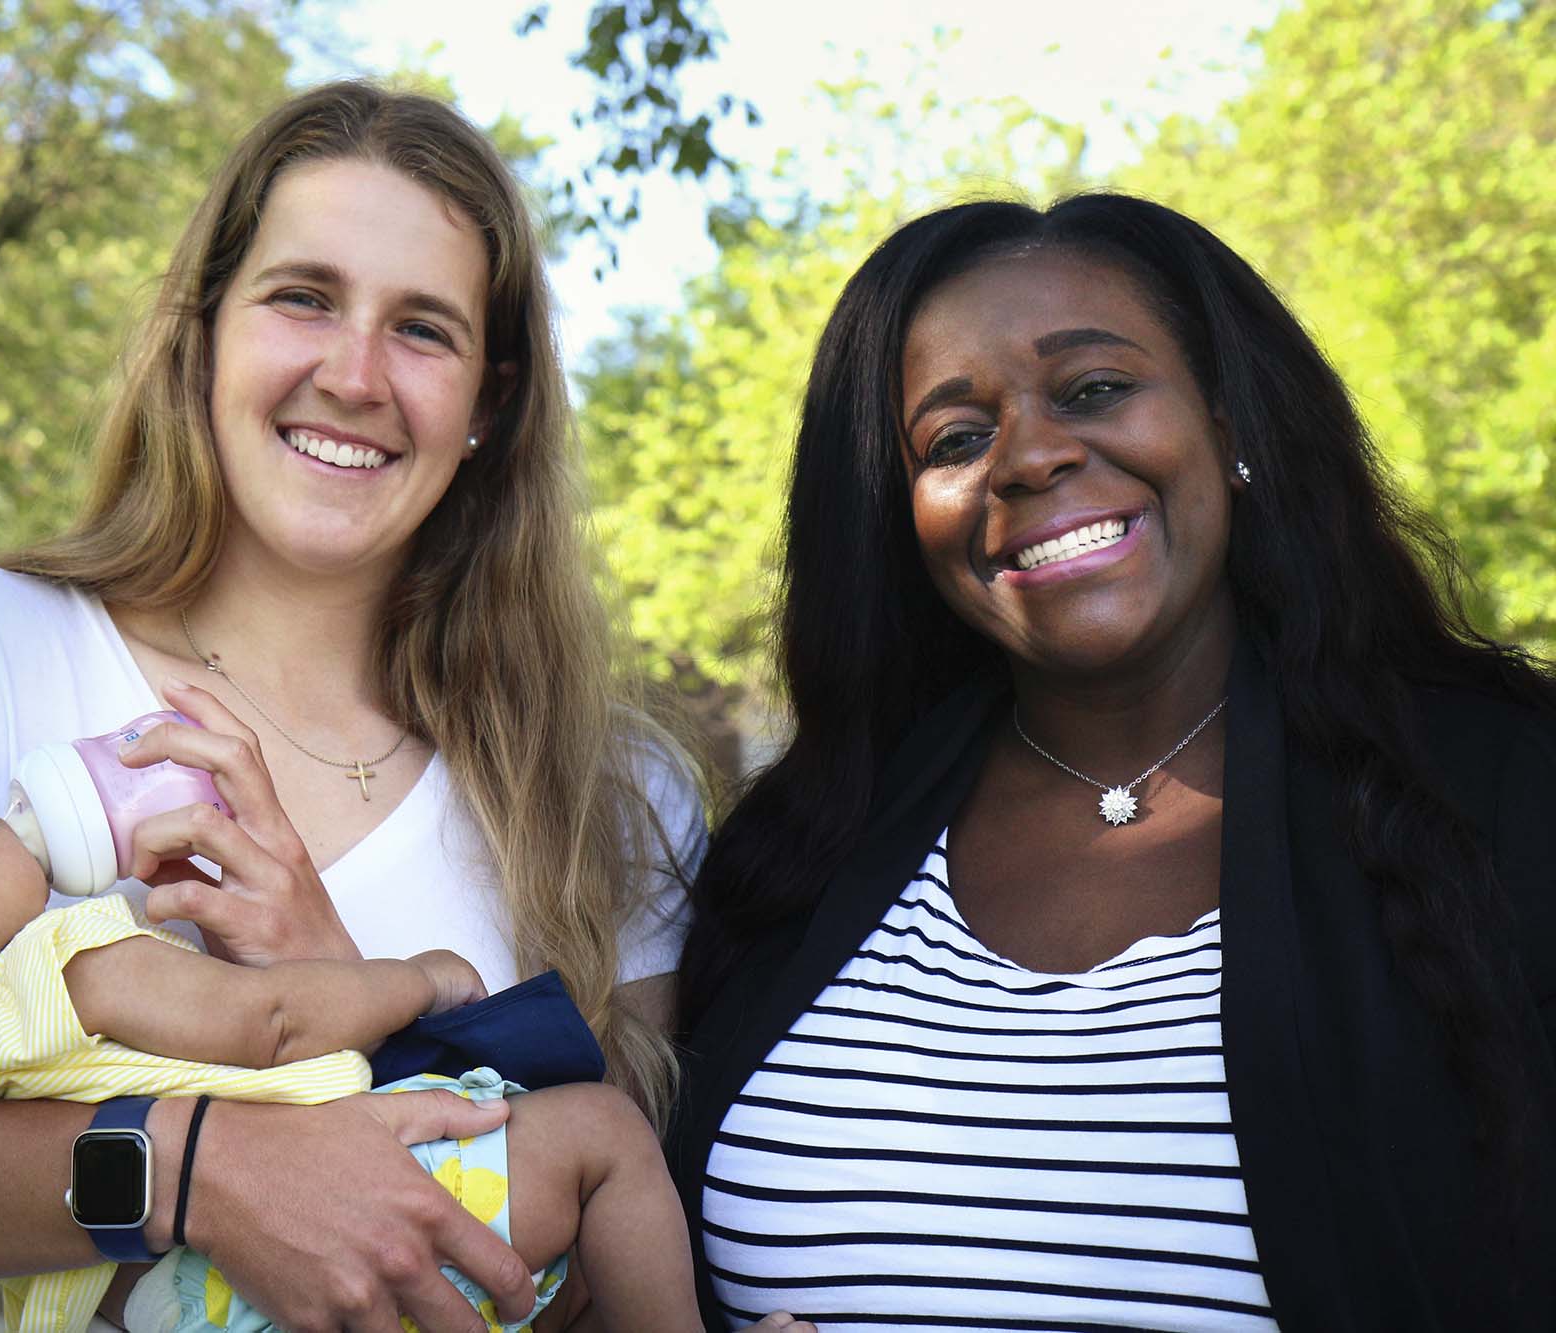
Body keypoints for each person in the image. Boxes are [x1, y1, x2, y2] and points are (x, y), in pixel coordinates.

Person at [0, 81, 708, 1333]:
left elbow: (592, 1255)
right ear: (203, 332)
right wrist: (190, 1171)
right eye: (302, 297)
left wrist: (346, 997)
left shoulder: (603, 792)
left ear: (489, 403)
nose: (354, 373)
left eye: (424, 329)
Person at [667, 194, 1556, 1331]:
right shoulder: (797, 850)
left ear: (1230, 422)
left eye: (1092, 389)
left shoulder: (1498, 797)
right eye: (952, 440)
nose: (1028, 456)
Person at [0, 739, 730, 1332]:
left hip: (182, 1308)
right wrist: (414, 978)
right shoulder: (65, 966)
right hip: (315, 1252)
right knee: (596, 1137)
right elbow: (272, 1020)